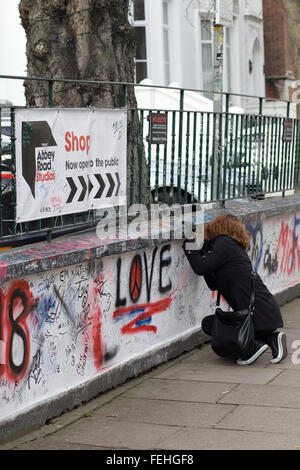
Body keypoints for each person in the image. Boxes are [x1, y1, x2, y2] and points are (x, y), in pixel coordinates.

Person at [183, 213, 287, 365]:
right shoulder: (230, 247)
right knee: (209, 324)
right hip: (263, 314)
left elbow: (200, 267)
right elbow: (212, 282)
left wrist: (189, 243)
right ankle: (270, 339)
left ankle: (252, 347)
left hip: (258, 315)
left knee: (217, 327)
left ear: (220, 227)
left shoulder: (224, 244)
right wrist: (204, 247)